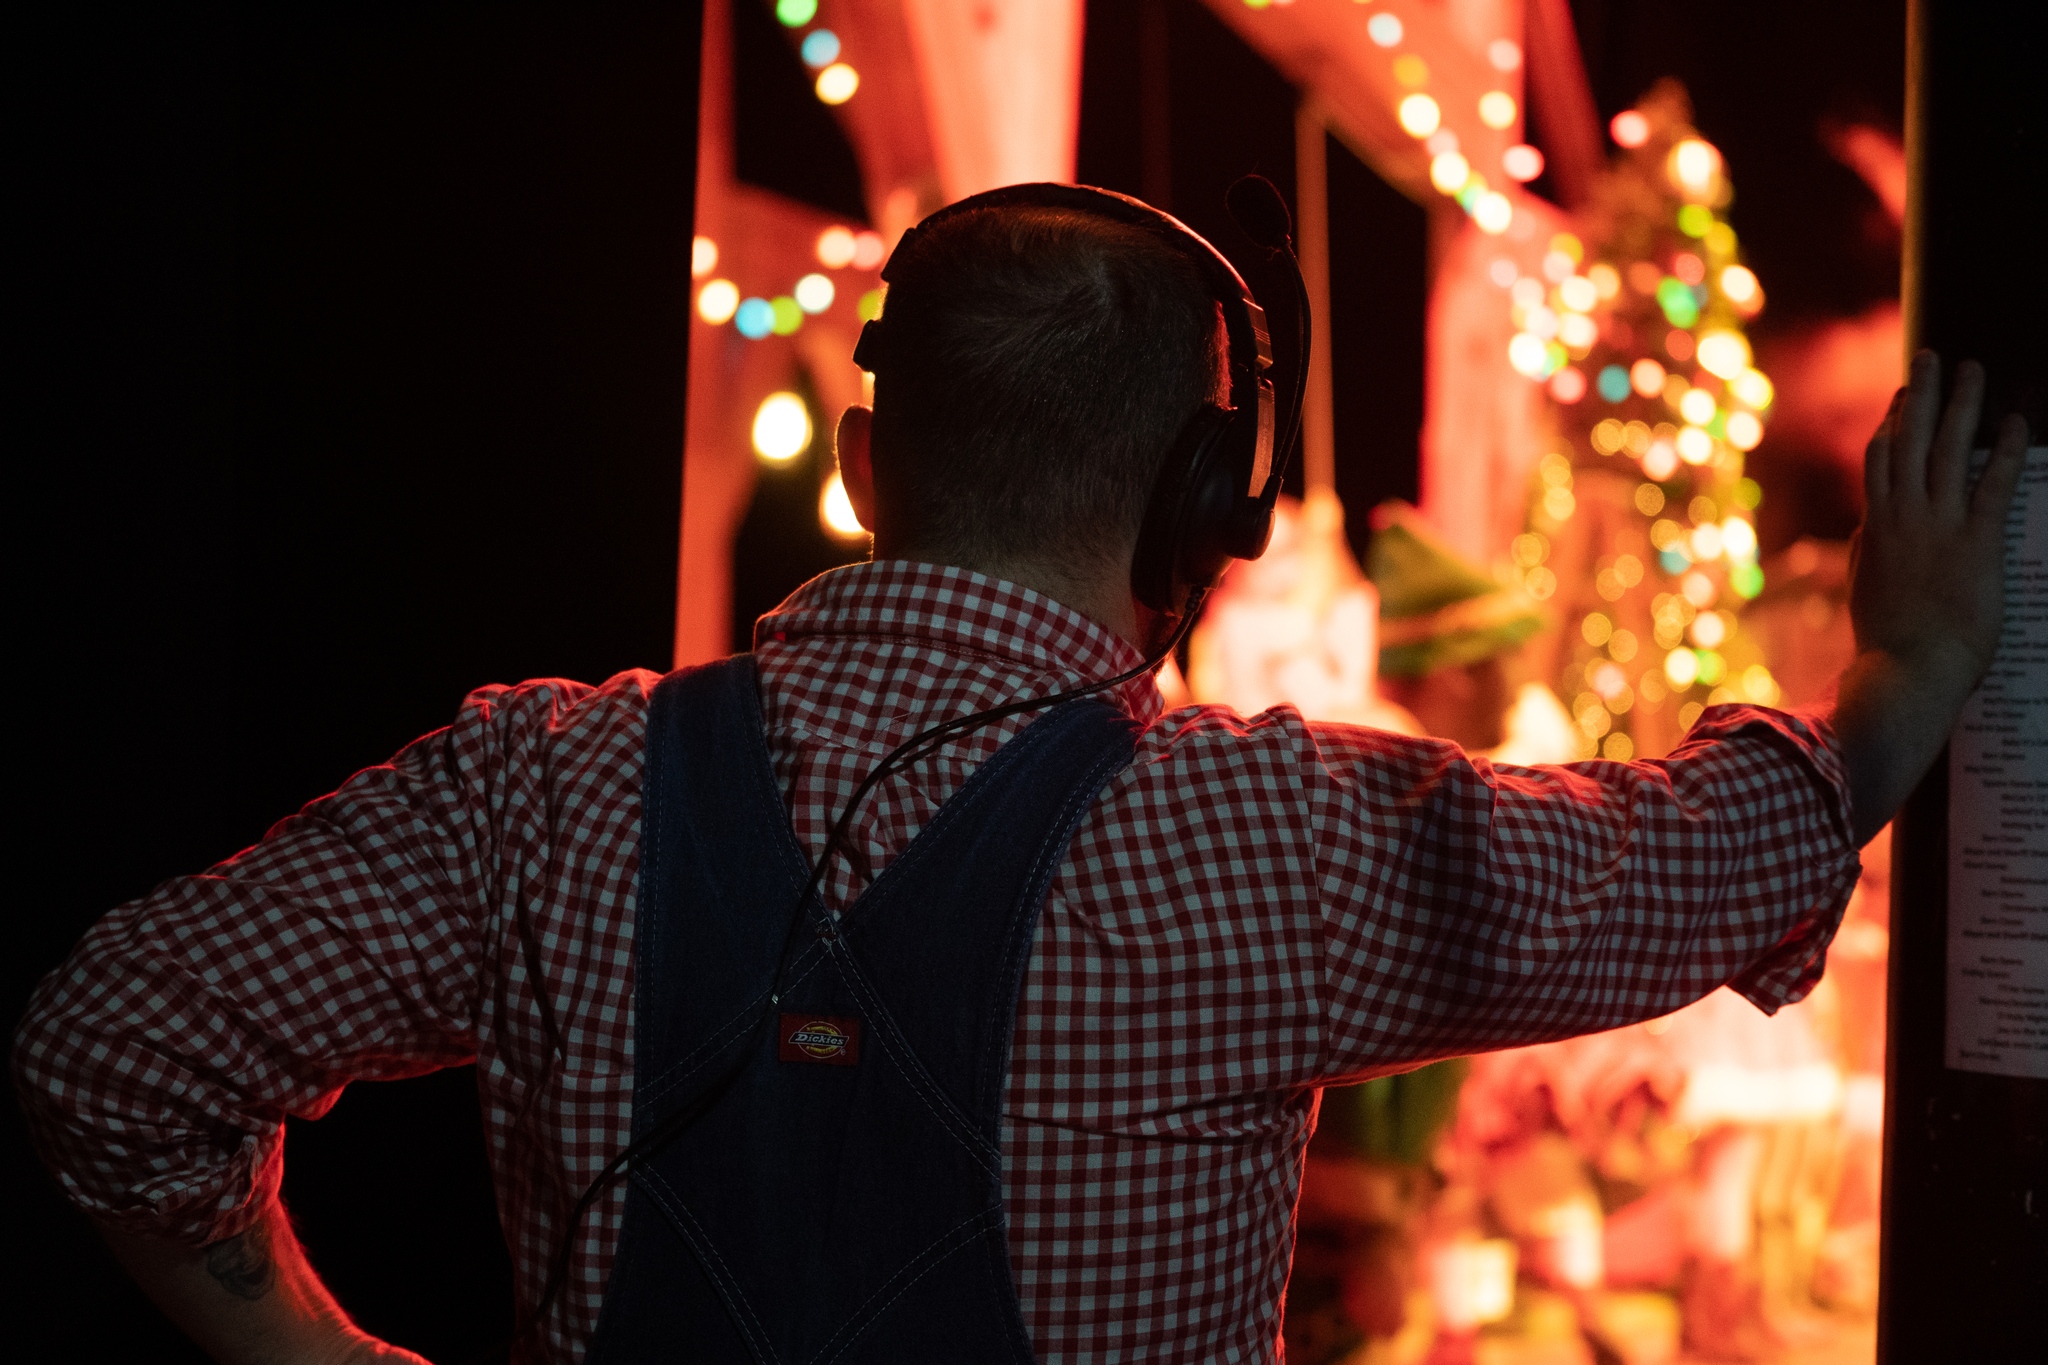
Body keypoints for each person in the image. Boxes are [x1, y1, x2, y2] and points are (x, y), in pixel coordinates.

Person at [12, 184, 2028, 1365]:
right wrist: (1911, 665)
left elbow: (109, 1052)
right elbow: (1701, 852)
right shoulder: (1261, 842)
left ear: (866, 464)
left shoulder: (533, 782)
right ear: (1206, 503)